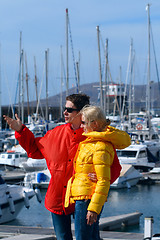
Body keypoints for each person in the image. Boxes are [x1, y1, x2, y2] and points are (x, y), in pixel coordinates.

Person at [3, 93, 90, 240]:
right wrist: (20, 130)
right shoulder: (54, 134)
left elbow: (112, 166)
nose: (64, 112)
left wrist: (99, 181)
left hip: (85, 199)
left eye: (69, 109)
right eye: (64, 108)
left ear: (81, 112)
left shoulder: (94, 135)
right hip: (58, 199)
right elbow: (34, 150)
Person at [65, 105, 131, 240]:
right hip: (84, 197)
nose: (81, 125)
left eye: (84, 122)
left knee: (83, 237)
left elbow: (103, 180)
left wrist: (93, 208)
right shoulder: (90, 142)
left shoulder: (100, 146)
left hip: (87, 199)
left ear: (94, 124)